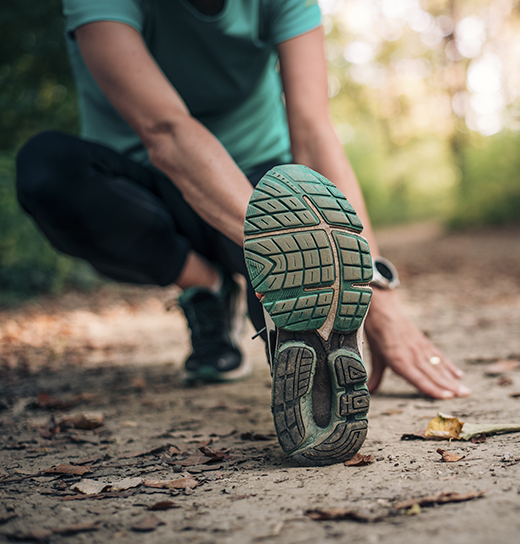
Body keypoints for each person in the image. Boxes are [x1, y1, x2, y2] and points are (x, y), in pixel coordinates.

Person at [15, 0, 469, 465]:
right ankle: (205, 284)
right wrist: (278, 241)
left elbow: (313, 133)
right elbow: (166, 131)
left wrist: (369, 286)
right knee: (46, 169)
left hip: (258, 181)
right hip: (139, 189)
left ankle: (302, 358)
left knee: (291, 281)